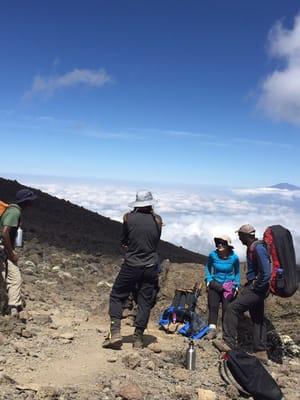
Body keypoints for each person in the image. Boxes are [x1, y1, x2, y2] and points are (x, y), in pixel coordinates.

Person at [103, 190, 162, 350]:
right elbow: (155, 242)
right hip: (150, 267)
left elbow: (124, 240)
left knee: (116, 295)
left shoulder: (128, 218)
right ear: (150, 203)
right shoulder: (157, 220)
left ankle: (115, 332)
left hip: (131, 265)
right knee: (144, 301)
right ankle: (138, 338)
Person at [214, 224, 271, 364]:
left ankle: (228, 344)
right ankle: (261, 352)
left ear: (246, 236)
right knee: (257, 318)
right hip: (259, 289)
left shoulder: (257, 248)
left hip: (257, 289)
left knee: (232, 309)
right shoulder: (256, 247)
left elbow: (266, 272)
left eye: (240, 235)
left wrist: (255, 287)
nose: (239, 238)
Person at [0, 189, 37, 316]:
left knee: (5, 278)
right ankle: (13, 308)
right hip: (4, 251)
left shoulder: (12, 210)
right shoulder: (14, 212)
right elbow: (5, 233)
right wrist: (11, 254)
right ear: (26, 201)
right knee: (15, 279)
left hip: (3, 250)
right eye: (31, 200)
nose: (33, 203)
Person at [204, 235, 240, 340]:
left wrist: (236, 285)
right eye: (218, 243)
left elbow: (237, 272)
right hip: (215, 283)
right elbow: (208, 267)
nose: (219, 245)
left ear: (228, 246)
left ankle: (225, 332)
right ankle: (211, 330)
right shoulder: (213, 255)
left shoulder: (234, 257)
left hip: (229, 285)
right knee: (213, 307)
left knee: (227, 308)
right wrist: (209, 280)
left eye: (222, 243)